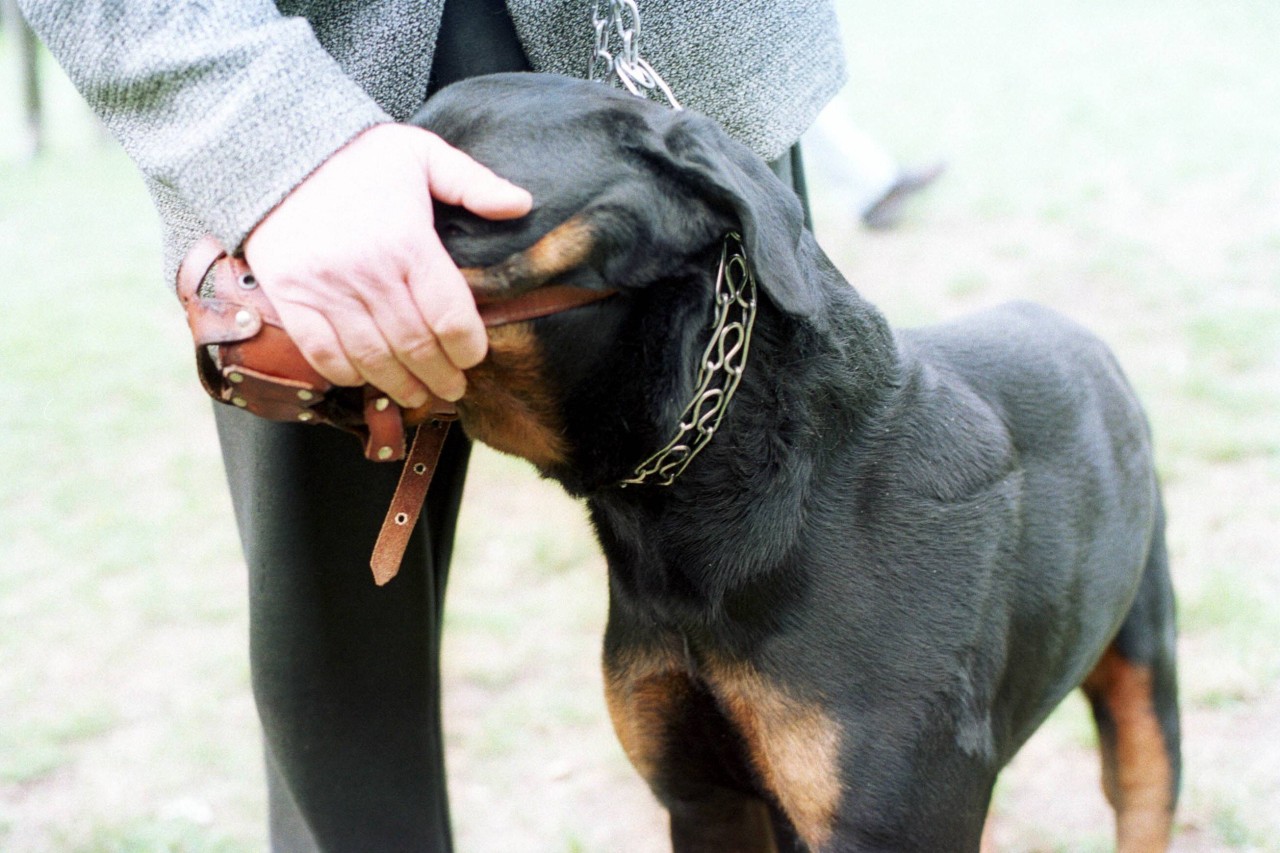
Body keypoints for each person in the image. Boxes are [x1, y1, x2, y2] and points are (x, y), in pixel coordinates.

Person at [19, 0, 848, 848]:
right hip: (316, 98)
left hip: (679, 80)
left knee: (800, 709)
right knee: (346, 747)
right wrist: (271, 142)